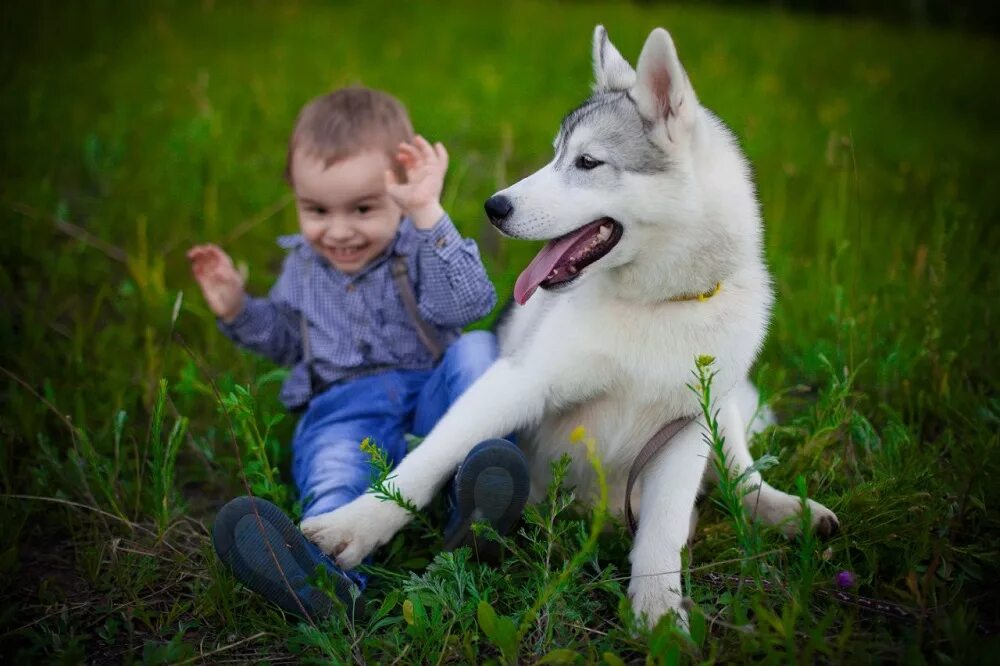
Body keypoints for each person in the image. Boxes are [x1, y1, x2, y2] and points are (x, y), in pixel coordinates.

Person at [187, 87, 528, 620]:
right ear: (295, 196)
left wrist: (428, 213)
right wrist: (236, 309)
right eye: (316, 209)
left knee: (479, 350)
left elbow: (471, 302)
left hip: (430, 399)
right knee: (334, 469)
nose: (339, 230)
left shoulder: (418, 244)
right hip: (345, 413)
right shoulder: (302, 268)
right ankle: (327, 575)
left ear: (400, 187)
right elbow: (282, 338)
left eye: (363, 209)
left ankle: (477, 495)